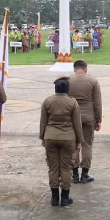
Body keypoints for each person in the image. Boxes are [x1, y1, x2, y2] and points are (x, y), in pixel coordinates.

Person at [40, 77, 83, 208]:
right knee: (66, 168)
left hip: (50, 137)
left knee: (53, 168)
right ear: (67, 89)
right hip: (68, 138)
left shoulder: (47, 101)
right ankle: (64, 198)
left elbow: (43, 121)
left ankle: (54, 198)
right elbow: (77, 123)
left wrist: (42, 137)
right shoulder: (72, 102)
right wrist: (79, 140)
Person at [68, 60, 102, 184]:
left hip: (72, 117)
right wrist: (98, 120)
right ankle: (85, 173)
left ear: (74, 69)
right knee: (87, 144)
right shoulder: (93, 81)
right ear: (86, 69)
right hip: (88, 117)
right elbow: (97, 103)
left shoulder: (68, 80)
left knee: (74, 145)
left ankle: (75, 173)